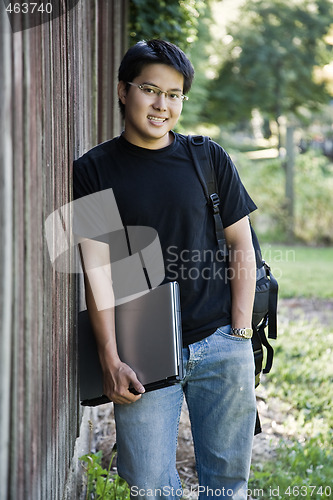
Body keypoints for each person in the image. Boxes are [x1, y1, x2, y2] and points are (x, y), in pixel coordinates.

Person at [73, 39, 257, 500]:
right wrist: (111, 358)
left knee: (228, 487)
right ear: (123, 90)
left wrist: (239, 335)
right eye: (150, 90)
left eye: (174, 95)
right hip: (142, 355)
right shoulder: (92, 170)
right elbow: (97, 272)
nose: (162, 105)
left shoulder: (207, 158)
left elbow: (241, 245)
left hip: (219, 341)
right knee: (149, 488)